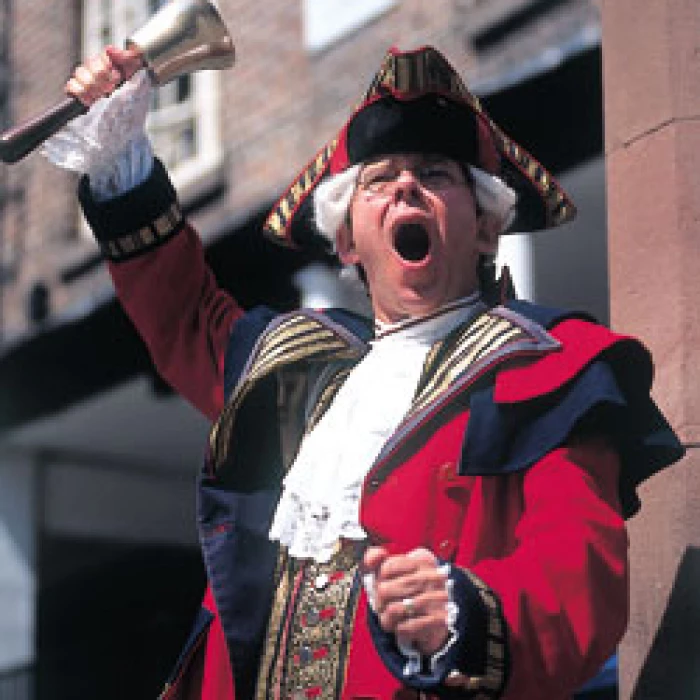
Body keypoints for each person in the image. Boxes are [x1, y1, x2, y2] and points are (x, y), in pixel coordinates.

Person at [45, 43, 683, 700]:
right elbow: (180, 309)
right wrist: (120, 152)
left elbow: (577, 581)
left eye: (437, 174)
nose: (406, 185)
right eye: (378, 181)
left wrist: (461, 614)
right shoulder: (296, 369)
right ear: (348, 241)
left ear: (487, 228)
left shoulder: (548, 370)